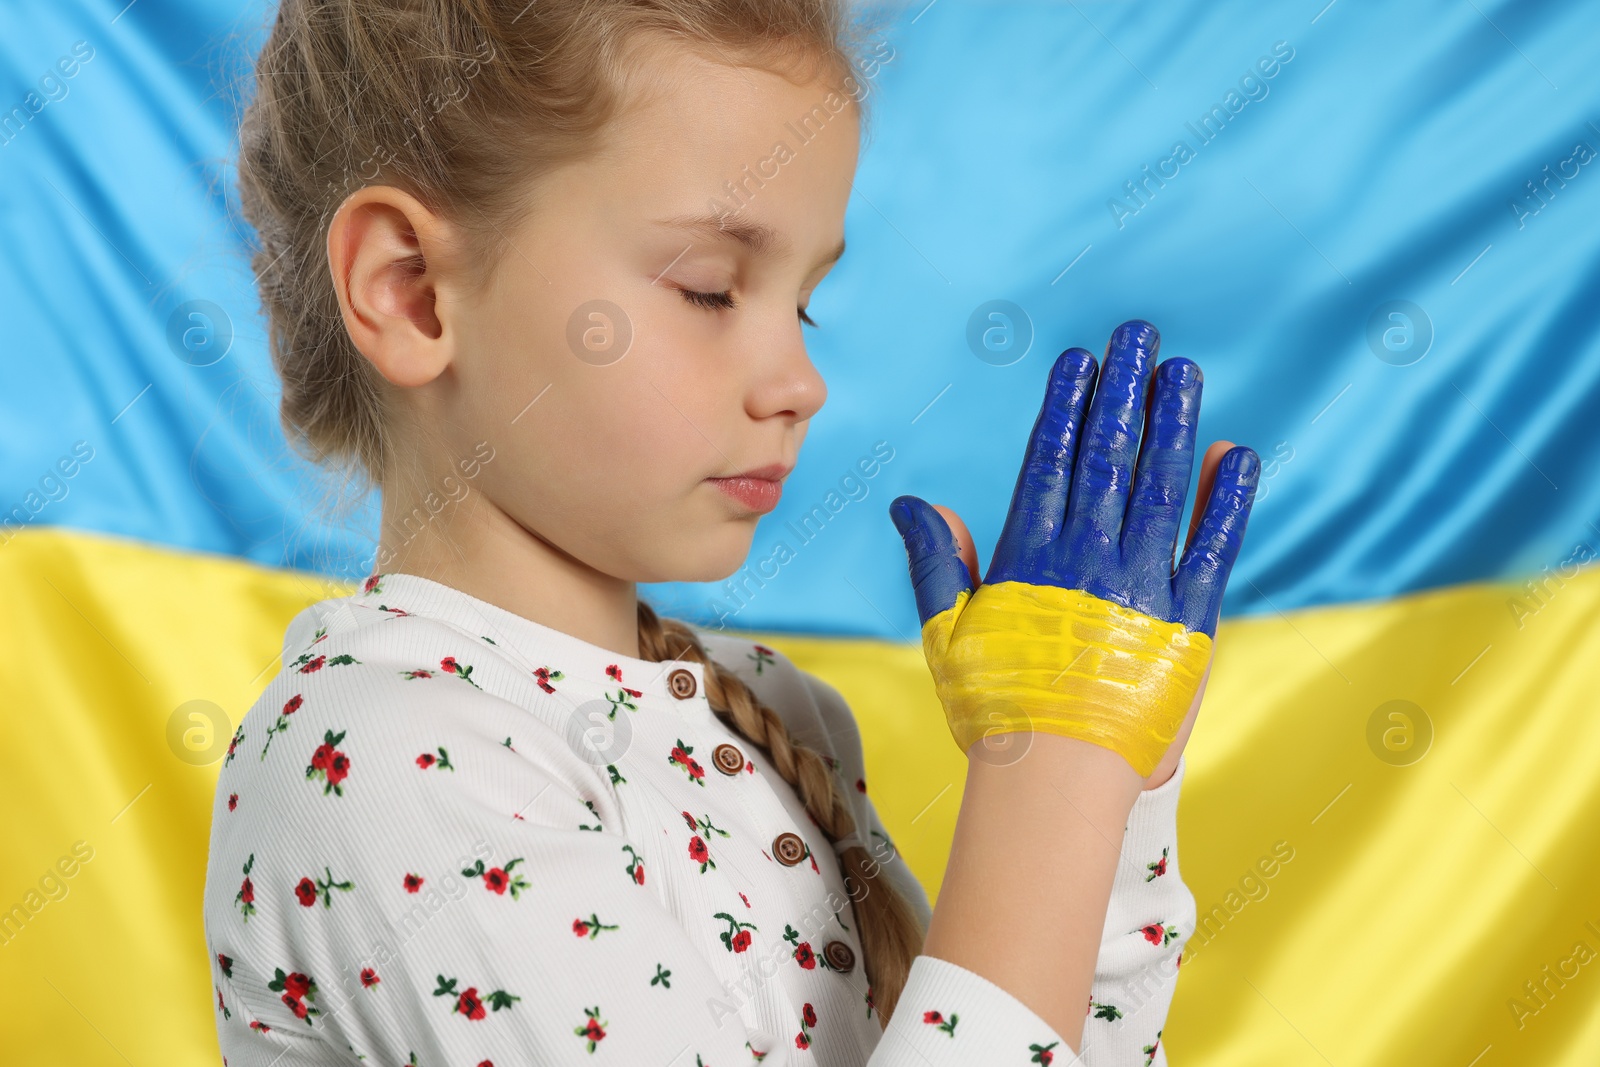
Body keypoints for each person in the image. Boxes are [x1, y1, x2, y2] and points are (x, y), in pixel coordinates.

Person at [203, 1, 1259, 1064]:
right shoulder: (377, 761)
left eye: (803, 304)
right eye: (709, 289)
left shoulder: (770, 710)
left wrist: (1108, 801)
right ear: (413, 292)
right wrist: (1047, 797)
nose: (800, 384)